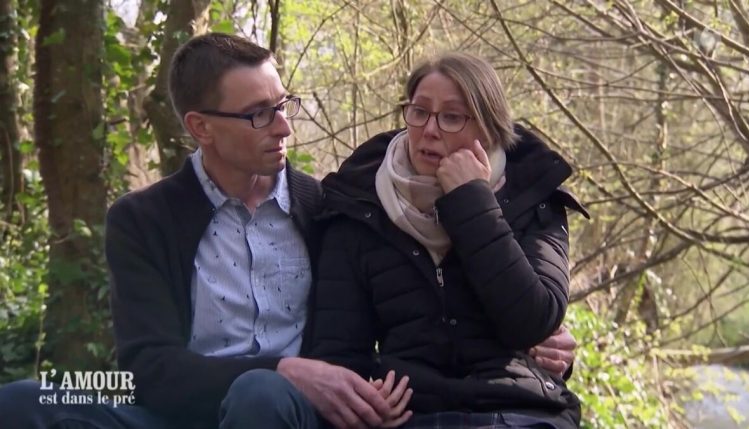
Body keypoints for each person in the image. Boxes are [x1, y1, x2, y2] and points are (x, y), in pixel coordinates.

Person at [0, 34, 577, 429]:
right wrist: (276, 367)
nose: (284, 128)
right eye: (259, 114)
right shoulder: (143, 218)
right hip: (177, 401)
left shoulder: (321, 205)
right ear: (201, 127)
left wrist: (535, 335)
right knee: (28, 398)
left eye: (284, 104)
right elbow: (144, 369)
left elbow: (405, 306)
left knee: (262, 396)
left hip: (285, 406)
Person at [307, 52, 589, 428]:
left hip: (520, 411)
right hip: (411, 414)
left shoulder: (535, 197)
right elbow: (338, 353)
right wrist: (368, 401)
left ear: (489, 129)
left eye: (452, 117)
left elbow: (532, 323)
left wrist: (471, 201)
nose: (430, 130)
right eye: (419, 111)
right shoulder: (358, 204)